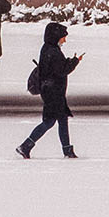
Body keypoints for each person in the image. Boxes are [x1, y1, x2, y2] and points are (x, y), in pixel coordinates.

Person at [16, 22, 81, 159]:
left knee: (61, 120)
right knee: (50, 121)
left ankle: (67, 150)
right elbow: (61, 70)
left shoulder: (48, 49)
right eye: (63, 37)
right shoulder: (53, 52)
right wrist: (74, 61)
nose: (65, 40)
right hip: (54, 92)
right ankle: (26, 145)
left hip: (51, 91)